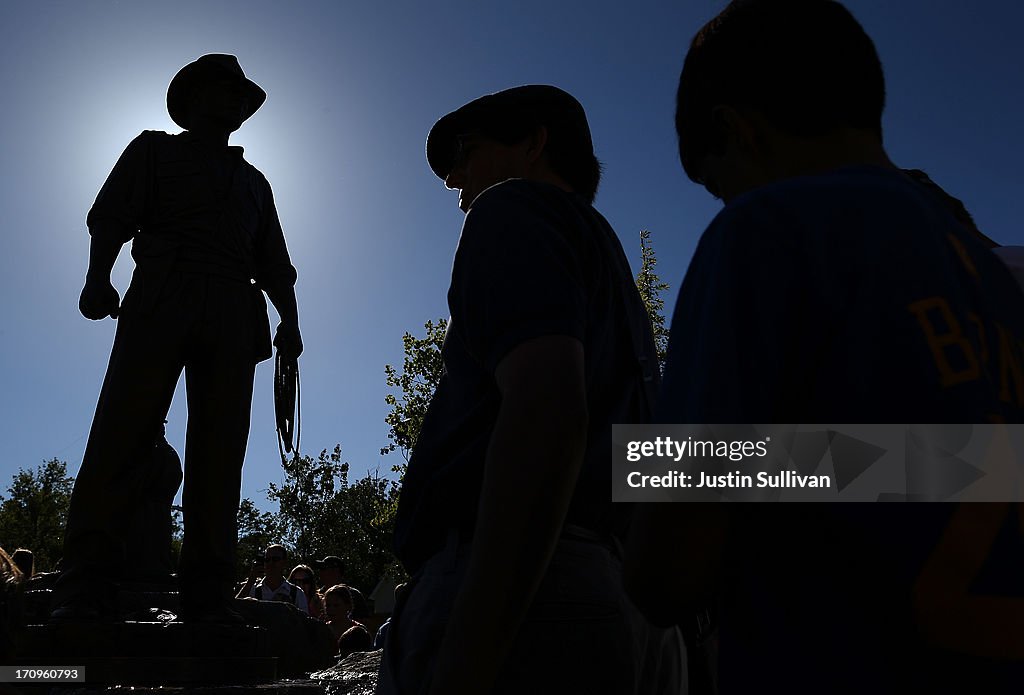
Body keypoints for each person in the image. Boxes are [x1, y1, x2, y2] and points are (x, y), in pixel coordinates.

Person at [622, 1, 1024, 692]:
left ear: (736, 130)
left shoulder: (764, 232)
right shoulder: (999, 281)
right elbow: (976, 467)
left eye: (720, 188)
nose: (726, 206)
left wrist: (641, 466)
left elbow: (664, 573)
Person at [378, 85, 683, 695]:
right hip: (630, 602)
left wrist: (468, 652)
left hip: (535, 596)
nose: (455, 177)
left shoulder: (512, 209)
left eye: (465, 151)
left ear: (534, 143)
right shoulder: (607, 264)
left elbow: (547, 413)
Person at [51, 54, 301, 624]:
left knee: (220, 455)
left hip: (235, 311)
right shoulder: (152, 150)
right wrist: (97, 277)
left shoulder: (255, 183)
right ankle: (85, 582)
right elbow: (111, 215)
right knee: (121, 433)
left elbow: (276, 264)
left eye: (242, 96)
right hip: (161, 294)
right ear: (192, 99)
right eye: (224, 90)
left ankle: (208, 591)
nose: (235, 102)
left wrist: (290, 322)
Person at [237, 544, 308, 614]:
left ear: (284, 563)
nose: (270, 563)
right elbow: (233, 609)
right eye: (267, 560)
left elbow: (305, 622)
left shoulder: (296, 593)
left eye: (275, 559)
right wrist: (250, 581)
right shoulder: (253, 590)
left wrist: (291, 610)